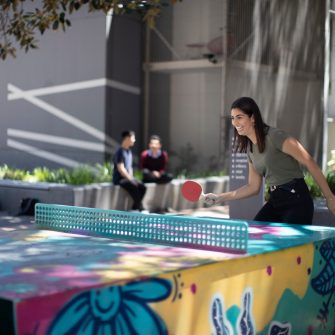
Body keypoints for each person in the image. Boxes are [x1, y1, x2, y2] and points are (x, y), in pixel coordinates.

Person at [204, 97, 335, 225]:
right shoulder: (250, 149)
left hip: (296, 199)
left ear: (253, 118)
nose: (235, 123)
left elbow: (309, 162)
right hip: (275, 200)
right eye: (233, 118)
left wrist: (329, 197)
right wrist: (220, 197)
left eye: (239, 117)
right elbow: (253, 187)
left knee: (289, 245)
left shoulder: (275, 136)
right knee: (255, 234)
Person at [112, 130, 146, 211]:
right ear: (127, 138)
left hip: (127, 178)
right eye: (133, 138)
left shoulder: (129, 152)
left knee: (142, 187)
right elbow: (121, 169)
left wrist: (132, 178)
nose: (134, 140)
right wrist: (130, 179)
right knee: (133, 186)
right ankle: (140, 208)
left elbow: (129, 167)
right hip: (119, 179)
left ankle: (135, 207)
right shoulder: (119, 152)